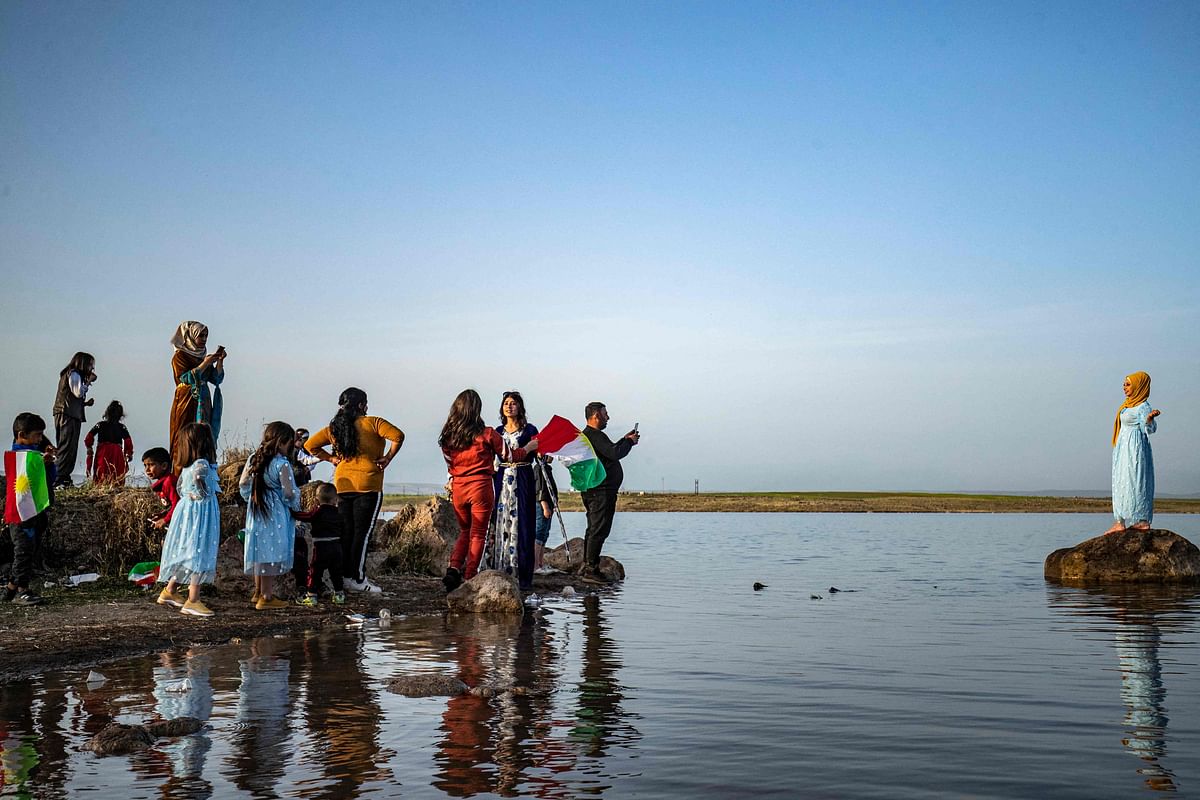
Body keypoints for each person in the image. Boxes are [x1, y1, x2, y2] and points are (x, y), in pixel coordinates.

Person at [304, 387, 404, 593]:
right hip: (368, 483)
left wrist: (331, 459)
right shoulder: (373, 423)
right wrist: (387, 458)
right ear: (361, 405)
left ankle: (342, 577)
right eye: (365, 403)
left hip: (343, 484)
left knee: (346, 532)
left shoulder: (335, 427)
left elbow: (309, 445)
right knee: (362, 534)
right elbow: (398, 436)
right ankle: (357, 578)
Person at [439, 389, 538, 591]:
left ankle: (453, 568)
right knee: (477, 534)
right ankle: (470, 577)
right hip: (480, 487)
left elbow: (450, 465)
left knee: (464, 531)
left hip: (459, 487)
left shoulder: (448, 437)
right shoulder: (488, 434)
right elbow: (511, 456)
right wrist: (528, 448)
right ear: (477, 410)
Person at [156, 423, 221, 617]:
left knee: (188, 549)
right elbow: (200, 485)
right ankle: (193, 600)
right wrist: (203, 493)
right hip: (200, 514)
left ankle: (170, 590)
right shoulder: (201, 465)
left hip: (187, 512)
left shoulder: (187, 466)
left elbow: (181, 488)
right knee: (198, 551)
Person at [239, 421, 300, 610]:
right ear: (283, 441)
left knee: (259, 549)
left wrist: (252, 498)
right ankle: (266, 596)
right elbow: (289, 493)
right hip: (274, 512)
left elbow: (243, 485)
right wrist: (294, 503)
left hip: (256, 508)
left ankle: (257, 592)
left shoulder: (253, 458)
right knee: (271, 551)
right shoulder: (282, 464)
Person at [579, 402, 639, 584]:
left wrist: (624, 440)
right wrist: (629, 442)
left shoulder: (592, 436)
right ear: (596, 416)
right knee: (599, 529)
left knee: (594, 528)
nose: (608, 417)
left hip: (596, 490)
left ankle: (588, 565)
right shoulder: (593, 435)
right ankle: (590, 570)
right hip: (600, 491)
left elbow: (609, 450)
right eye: (605, 414)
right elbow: (614, 453)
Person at [487, 391, 540, 590]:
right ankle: (500, 569)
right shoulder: (497, 431)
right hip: (501, 480)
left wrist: (541, 450)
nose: (509, 406)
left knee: (523, 524)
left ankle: (523, 575)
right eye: (506, 403)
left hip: (523, 480)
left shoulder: (530, 430)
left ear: (520, 407)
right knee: (499, 522)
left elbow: (541, 455)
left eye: (514, 403)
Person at [4, 413, 57, 605]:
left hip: (37, 511)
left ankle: (11, 587)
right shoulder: (18, 457)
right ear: (21, 435)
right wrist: (39, 465)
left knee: (29, 549)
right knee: (23, 550)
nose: (40, 439)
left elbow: (49, 479)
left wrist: (48, 464)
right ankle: (21, 590)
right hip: (21, 514)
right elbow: (23, 477)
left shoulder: (37, 455)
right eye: (37, 435)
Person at [1106, 371, 1162, 535]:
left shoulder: (1143, 406)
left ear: (1139, 386)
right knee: (1121, 480)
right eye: (1124, 384)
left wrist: (1150, 419)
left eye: (1128, 384)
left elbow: (1150, 429)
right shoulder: (1126, 405)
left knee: (1136, 480)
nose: (1124, 387)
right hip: (1123, 448)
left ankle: (1142, 520)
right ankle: (1120, 521)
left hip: (1135, 449)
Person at [169, 321, 226, 455]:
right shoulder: (180, 356)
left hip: (203, 401)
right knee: (185, 435)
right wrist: (206, 363)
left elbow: (216, 379)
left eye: (206, 336)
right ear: (191, 336)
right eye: (201, 336)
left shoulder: (202, 357)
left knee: (204, 435)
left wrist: (219, 362)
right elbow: (184, 378)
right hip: (187, 400)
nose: (204, 339)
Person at [291, 482, 346, 606]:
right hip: (336, 547)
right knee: (336, 572)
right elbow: (344, 529)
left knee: (315, 572)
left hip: (321, 547)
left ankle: (312, 596)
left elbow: (306, 516)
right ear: (335, 499)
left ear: (317, 499)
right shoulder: (339, 513)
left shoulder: (317, 511)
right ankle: (339, 595)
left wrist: (293, 513)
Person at [51, 351, 96, 487]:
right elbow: (77, 392)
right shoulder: (74, 374)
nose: (91, 369)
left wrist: (85, 404)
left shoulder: (74, 375)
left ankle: (64, 476)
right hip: (66, 415)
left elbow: (73, 396)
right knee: (66, 446)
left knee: (71, 447)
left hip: (71, 414)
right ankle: (58, 477)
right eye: (90, 365)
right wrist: (88, 381)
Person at [84, 400, 134, 485]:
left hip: (103, 453)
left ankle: (101, 488)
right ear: (121, 415)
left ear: (107, 412)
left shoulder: (100, 425)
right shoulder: (122, 427)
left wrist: (89, 447)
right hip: (116, 453)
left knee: (101, 473)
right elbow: (128, 442)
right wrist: (128, 454)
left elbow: (89, 436)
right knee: (116, 474)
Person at [533, 455, 559, 574]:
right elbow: (540, 489)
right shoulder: (539, 468)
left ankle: (540, 562)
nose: (553, 457)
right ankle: (534, 565)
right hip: (542, 505)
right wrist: (545, 506)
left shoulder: (547, 468)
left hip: (549, 504)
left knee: (544, 533)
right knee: (539, 532)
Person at [142, 447, 179, 531]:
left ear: (164, 466)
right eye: (145, 465)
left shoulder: (169, 481)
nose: (147, 469)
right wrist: (163, 514)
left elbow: (177, 504)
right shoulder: (161, 484)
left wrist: (165, 520)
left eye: (151, 465)